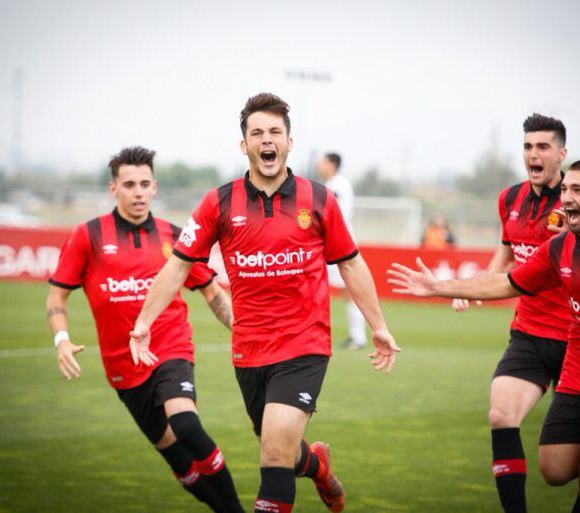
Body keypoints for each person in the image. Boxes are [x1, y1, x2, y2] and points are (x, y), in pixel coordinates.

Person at [130, 93, 400, 513]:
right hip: (249, 349)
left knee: (273, 454)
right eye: (257, 133)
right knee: (285, 453)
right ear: (245, 145)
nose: (266, 140)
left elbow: (351, 264)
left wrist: (378, 324)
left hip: (304, 345)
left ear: (289, 142)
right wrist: (144, 319)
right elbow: (179, 266)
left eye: (275, 132)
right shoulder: (219, 202)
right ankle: (318, 465)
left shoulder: (319, 199)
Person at [388, 158, 580, 513]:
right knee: (555, 470)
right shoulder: (559, 249)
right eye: (564, 190)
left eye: (578, 190)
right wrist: (440, 287)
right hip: (577, 379)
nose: (566, 198)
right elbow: (506, 282)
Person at [46, 146, 244, 513]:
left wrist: (242, 329)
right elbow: (56, 298)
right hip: (122, 366)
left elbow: (212, 293)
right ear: (113, 189)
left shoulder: (176, 237)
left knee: (186, 425)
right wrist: (62, 340)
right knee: (182, 467)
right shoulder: (87, 236)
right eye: (129, 184)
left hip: (170, 346)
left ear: (155, 187)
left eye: (144, 184)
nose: (138, 192)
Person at [451, 113, 570, 513]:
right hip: (530, 332)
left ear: (561, 153)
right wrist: (477, 288)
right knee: (501, 414)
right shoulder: (510, 199)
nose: (533, 154)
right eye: (527, 147)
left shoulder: (578, 202)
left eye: (542, 147)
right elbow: (506, 250)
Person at [316, 152, 367, 350]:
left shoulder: (337, 185)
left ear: (331, 164)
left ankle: (359, 337)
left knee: (350, 289)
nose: (319, 165)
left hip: (339, 240)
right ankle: (356, 336)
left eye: (322, 161)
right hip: (333, 240)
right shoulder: (334, 184)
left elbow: (330, 212)